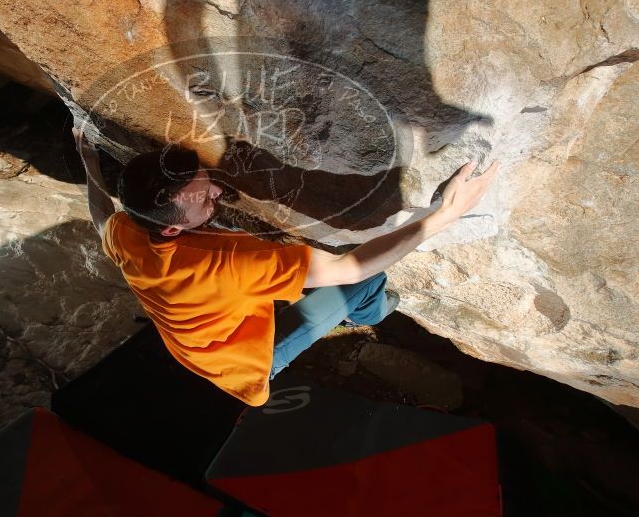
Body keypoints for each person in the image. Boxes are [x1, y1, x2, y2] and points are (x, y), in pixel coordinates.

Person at [73, 128, 499, 406]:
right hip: (248, 363)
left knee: (295, 289)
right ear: (170, 231)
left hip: (193, 343)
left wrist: (89, 161)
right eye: (206, 200)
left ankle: (343, 311)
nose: (220, 192)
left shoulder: (127, 230)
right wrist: (443, 216)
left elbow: (99, 214)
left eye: (207, 180)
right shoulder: (227, 264)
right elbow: (349, 267)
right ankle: (369, 313)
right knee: (370, 279)